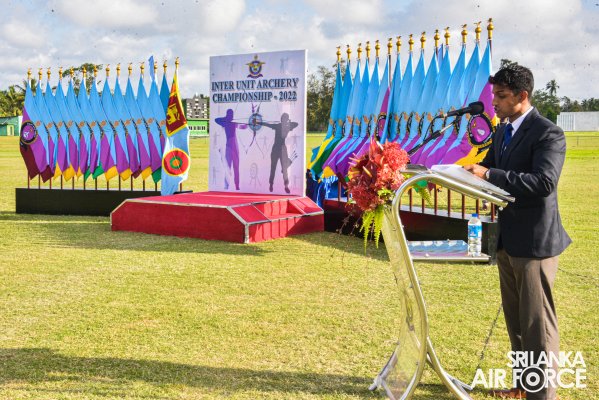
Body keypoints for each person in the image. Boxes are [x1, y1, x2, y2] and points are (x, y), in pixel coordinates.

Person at [464, 64, 571, 400]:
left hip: (535, 244)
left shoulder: (548, 133)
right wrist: (457, 175)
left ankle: (542, 396)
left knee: (537, 326)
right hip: (507, 241)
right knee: (517, 323)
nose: (494, 102)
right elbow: (486, 167)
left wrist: (487, 175)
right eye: (494, 95)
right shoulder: (503, 131)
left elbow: (543, 182)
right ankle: (523, 387)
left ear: (522, 96)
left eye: (501, 95)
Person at [261, 113, 298, 193]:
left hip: (282, 149)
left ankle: (286, 186)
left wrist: (288, 123)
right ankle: (271, 184)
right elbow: (267, 125)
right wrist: (258, 122)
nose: (283, 120)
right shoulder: (279, 126)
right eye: (283, 118)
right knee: (273, 167)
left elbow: (296, 124)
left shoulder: (287, 126)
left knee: (284, 169)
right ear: (281, 119)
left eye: (285, 119)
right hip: (276, 149)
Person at [215, 109, 247, 190]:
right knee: (228, 167)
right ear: (228, 115)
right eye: (230, 115)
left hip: (234, 148)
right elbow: (216, 120)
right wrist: (226, 119)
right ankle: (227, 185)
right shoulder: (227, 123)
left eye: (232, 115)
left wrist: (248, 124)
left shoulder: (232, 123)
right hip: (229, 148)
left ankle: (237, 185)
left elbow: (243, 127)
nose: (232, 116)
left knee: (236, 167)